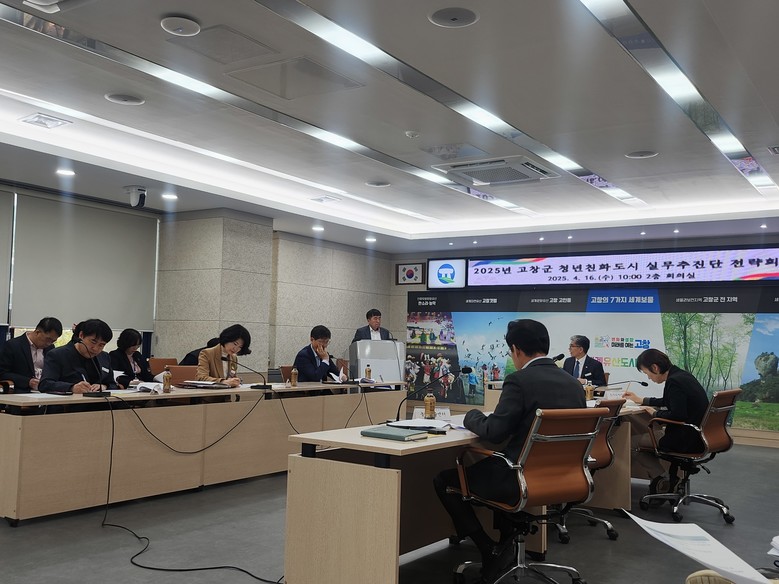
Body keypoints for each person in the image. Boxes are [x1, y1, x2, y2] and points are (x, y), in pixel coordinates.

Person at [433, 319, 585, 582]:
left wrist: (471, 415)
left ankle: (488, 548)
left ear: (516, 349)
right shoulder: (573, 384)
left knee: (445, 480)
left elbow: (494, 432)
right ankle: (505, 543)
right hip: (562, 477)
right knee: (496, 468)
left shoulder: (519, 380)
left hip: (520, 479)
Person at [623, 348, 710, 491]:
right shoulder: (682, 376)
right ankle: (665, 480)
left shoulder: (674, 382)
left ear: (655, 368)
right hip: (699, 435)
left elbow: (677, 415)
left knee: (630, 443)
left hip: (685, 438)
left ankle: (662, 479)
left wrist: (655, 414)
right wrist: (642, 400)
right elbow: (671, 401)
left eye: (647, 373)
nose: (649, 378)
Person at [39, 318, 117, 394]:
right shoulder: (57, 355)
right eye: (93, 342)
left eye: (101, 345)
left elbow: (112, 384)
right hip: (68, 402)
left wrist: (104, 386)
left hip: (101, 401)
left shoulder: (104, 357)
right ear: (81, 335)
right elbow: (45, 384)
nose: (95, 348)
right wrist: (72, 388)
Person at [0, 317, 63, 391]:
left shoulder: (50, 348)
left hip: (46, 391)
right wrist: (28, 382)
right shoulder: (13, 345)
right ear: (37, 332)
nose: (49, 343)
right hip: (22, 391)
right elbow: (2, 373)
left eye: (53, 341)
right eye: (48, 339)